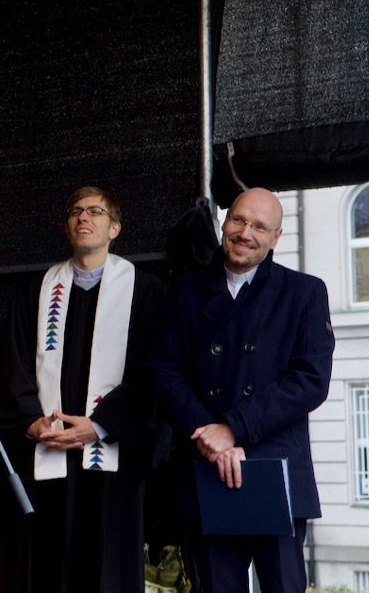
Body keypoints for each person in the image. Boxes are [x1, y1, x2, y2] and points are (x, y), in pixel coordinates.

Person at [151, 187, 334, 593]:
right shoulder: (183, 291)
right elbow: (166, 374)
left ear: (276, 237)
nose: (245, 232)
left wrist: (234, 427)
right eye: (238, 220)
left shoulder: (304, 292)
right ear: (224, 221)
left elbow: (310, 381)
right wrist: (209, 435)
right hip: (206, 465)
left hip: (275, 467)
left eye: (259, 226)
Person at [0, 186, 163, 593]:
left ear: (115, 228)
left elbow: (155, 374)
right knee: (47, 567)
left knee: (108, 567)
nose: (83, 218)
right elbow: (14, 365)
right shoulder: (34, 293)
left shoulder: (147, 292)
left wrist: (101, 425)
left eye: (94, 211)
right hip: (48, 455)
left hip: (113, 460)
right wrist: (30, 422)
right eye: (75, 211)